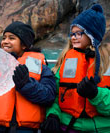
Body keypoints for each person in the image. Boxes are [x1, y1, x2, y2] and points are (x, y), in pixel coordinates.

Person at [42, 4, 110, 133]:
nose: (73, 37)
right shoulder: (67, 60)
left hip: (103, 128)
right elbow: (56, 93)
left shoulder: (108, 62)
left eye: (79, 33)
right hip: (69, 126)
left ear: (92, 35)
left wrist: (96, 94)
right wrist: (53, 114)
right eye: (72, 33)